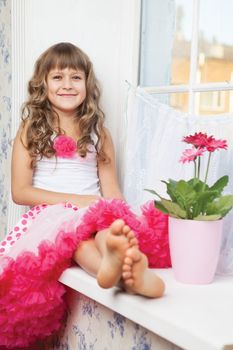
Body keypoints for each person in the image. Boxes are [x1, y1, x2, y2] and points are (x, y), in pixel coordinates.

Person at [0, 42, 169, 349]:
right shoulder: (31, 130)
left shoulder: (98, 133)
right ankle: (111, 272)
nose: (67, 84)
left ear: (87, 84)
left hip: (94, 211)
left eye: (75, 77)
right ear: (42, 84)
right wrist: (79, 202)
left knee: (110, 227)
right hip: (53, 215)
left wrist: (123, 216)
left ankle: (123, 259)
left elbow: (112, 190)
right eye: (57, 77)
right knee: (77, 240)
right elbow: (20, 192)